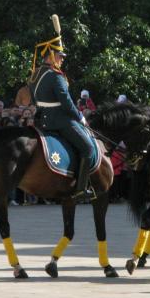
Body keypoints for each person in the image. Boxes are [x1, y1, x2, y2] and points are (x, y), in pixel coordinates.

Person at [28, 14, 94, 201]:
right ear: (50, 55)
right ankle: (81, 189)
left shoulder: (35, 75)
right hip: (60, 120)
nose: (62, 59)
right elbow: (66, 102)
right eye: (59, 55)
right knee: (88, 149)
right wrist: (79, 117)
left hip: (42, 120)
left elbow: (35, 99)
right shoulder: (56, 76)